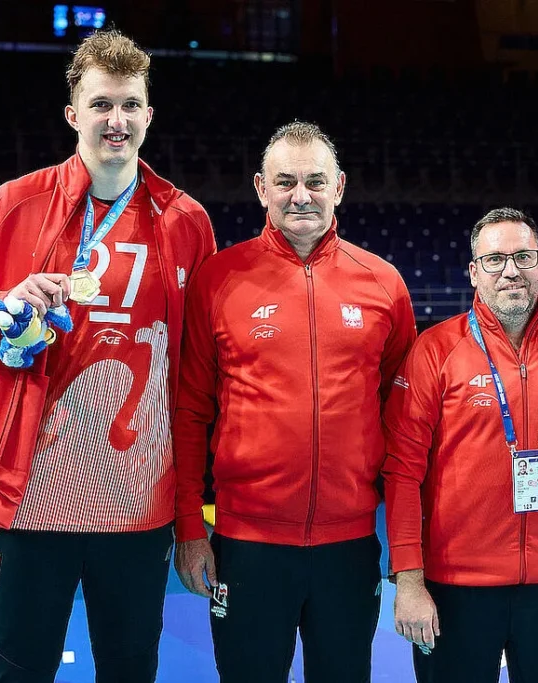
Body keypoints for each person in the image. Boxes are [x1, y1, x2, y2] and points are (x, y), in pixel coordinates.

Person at [0, 29, 216, 683]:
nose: (116, 120)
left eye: (129, 104)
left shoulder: (187, 222)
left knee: (130, 673)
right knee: (19, 674)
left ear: (149, 115)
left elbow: (193, 380)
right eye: (101, 105)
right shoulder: (14, 204)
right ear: (73, 115)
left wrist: (190, 516)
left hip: (137, 509)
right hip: (29, 506)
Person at [172, 121, 417, 683]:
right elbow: (189, 413)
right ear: (261, 188)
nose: (300, 195)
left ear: (340, 187)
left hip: (350, 545)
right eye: (285, 182)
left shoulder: (384, 284)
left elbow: (404, 422)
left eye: (315, 181)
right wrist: (189, 527)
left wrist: (408, 553)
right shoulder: (218, 278)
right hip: (247, 545)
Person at [382, 208, 538, 683]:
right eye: (494, 260)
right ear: (474, 272)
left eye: (523, 257)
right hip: (456, 588)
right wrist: (408, 580)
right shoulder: (435, 350)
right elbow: (402, 471)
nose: (510, 270)